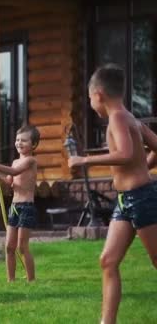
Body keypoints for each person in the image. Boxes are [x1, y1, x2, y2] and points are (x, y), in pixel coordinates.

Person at [68, 63, 157, 324]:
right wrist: (145, 166)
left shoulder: (118, 117)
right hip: (126, 201)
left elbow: (126, 154)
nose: (90, 103)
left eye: (89, 98)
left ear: (98, 95)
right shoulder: (131, 118)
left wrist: (84, 161)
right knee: (108, 260)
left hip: (141, 198)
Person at [0, 125, 41, 282]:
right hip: (14, 207)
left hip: (26, 208)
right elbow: (11, 181)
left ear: (33, 144)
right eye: (17, 140)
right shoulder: (15, 161)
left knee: (22, 247)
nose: (19, 143)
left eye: (24, 140)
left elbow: (14, 172)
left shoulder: (30, 161)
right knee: (9, 247)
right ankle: (11, 280)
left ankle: (31, 280)